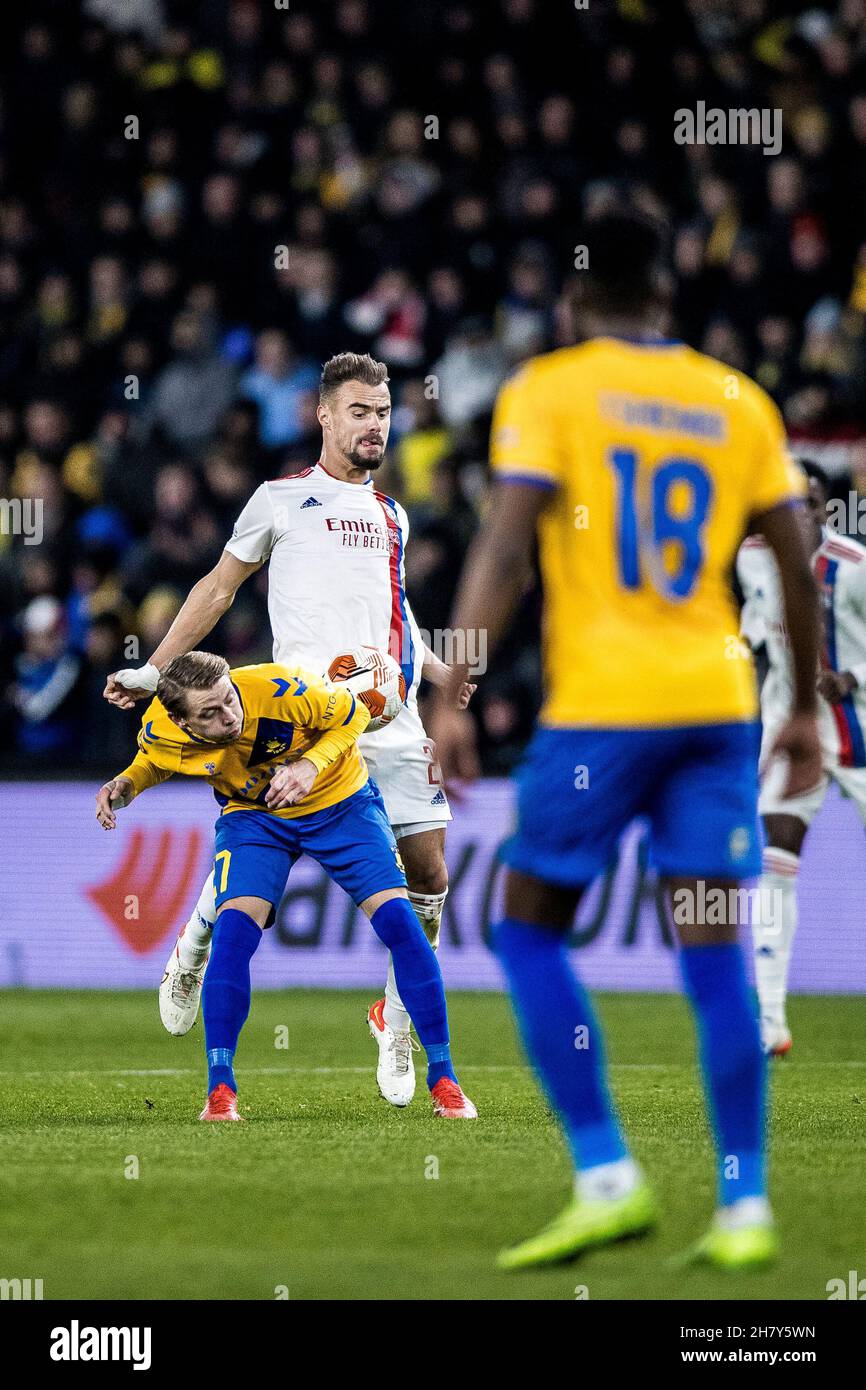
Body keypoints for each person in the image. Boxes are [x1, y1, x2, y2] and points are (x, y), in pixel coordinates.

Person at [430, 211, 822, 1271]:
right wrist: (800, 702)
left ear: (575, 299)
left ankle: (605, 1176)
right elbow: (795, 554)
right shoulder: (736, 401)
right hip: (714, 709)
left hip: (603, 712)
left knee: (523, 926)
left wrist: (454, 686)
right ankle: (743, 1208)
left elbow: (506, 545)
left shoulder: (550, 388)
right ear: (664, 293)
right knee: (710, 956)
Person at [103, 352, 475, 1109]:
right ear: (325, 417)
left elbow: (394, 624)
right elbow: (217, 585)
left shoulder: (394, 517)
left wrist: (438, 674)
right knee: (258, 867)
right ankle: (194, 944)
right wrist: (157, 671)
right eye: (360, 412)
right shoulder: (278, 501)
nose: (375, 425)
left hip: (389, 718)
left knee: (430, 876)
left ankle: (393, 1019)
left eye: (383, 412)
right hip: (301, 722)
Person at [96, 650, 477, 1122]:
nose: (228, 718)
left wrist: (309, 767)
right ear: (180, 719)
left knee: (402, 924)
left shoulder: (284, 689)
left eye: (228, 702)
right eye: (209, 715)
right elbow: (157, 762)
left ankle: (445, 1080)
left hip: (340, 804)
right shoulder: (159, 727)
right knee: (234, 936)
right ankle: (220, 1092)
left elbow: (354, 714)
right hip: (256, 819)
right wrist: (126, 786)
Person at [738, 460, 866, 1055]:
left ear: (825, 509)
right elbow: (751, 639)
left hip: (857, 733)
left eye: (807, 505)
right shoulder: (751, 559)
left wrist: (854, 676)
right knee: (774, 857)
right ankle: (769, 1019)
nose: (797, 517)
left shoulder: (855, 568)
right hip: (792, 737)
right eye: (784, 506)